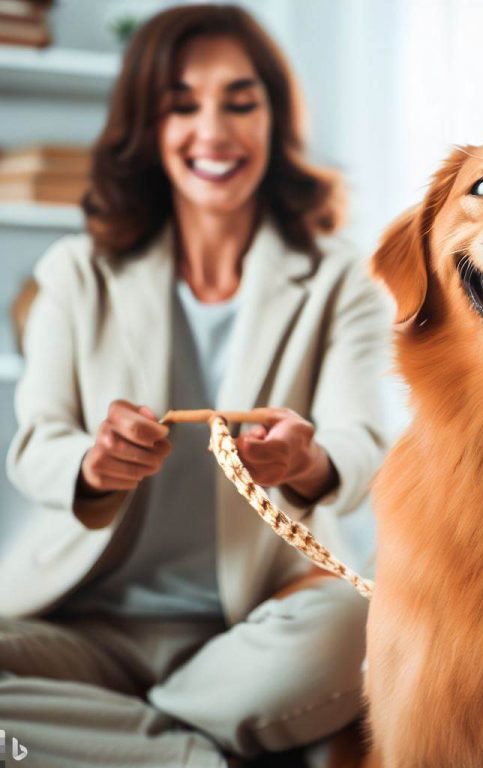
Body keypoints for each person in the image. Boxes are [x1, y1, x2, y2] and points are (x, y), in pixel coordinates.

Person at [0, 5, 389, 766]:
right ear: (148, 127)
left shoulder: (340, 277)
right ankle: (187, 752)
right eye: (182, 105)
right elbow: (34, 444)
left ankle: (98, 739)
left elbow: (364, 442)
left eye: (240, 102)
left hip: (254, 627)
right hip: (82, 624)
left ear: (275, 118)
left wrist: (305, 463)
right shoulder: (75, 273)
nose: (213, 130)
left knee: (362, 623)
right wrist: (92, 465)